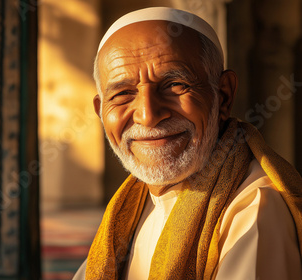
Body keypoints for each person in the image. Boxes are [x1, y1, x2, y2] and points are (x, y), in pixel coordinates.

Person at [73, 7, 302, 280]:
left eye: (175, 85)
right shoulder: (129, 208)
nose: (148, 115)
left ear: (223, 96)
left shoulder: (255, 211)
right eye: (123, 93)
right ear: (101, 111)